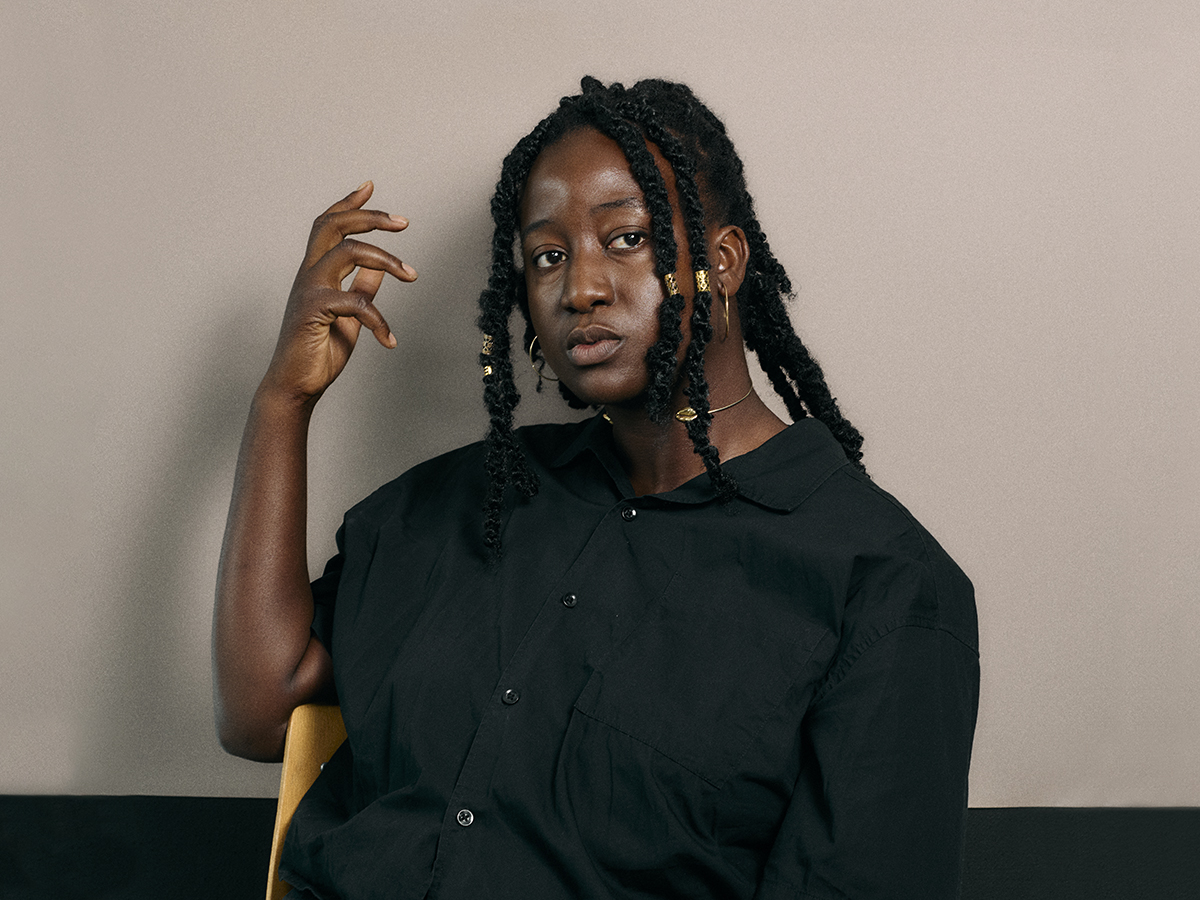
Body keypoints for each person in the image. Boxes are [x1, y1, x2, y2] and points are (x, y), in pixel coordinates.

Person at [214, 77, 979, 900]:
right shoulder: (472, 498)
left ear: (723, 263)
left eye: (627, 239)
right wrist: (282, 401)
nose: (579, 288)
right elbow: (262, 711)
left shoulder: (883, 587)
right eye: (548, 255)